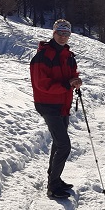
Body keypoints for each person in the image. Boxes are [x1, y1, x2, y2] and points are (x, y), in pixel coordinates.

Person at [30, 19, 82, 199]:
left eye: (66, 33)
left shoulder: (68, 55)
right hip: (48, 105)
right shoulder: (43, 56)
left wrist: (75, 80)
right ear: (53, 33)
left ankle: (55, 178)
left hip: (63, 104)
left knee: (58, 143)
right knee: (64, 145)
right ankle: (52, 186)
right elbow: (42, 85)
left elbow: (72, 74)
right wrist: (68, 85)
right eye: (60, 32)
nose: (63, 36)